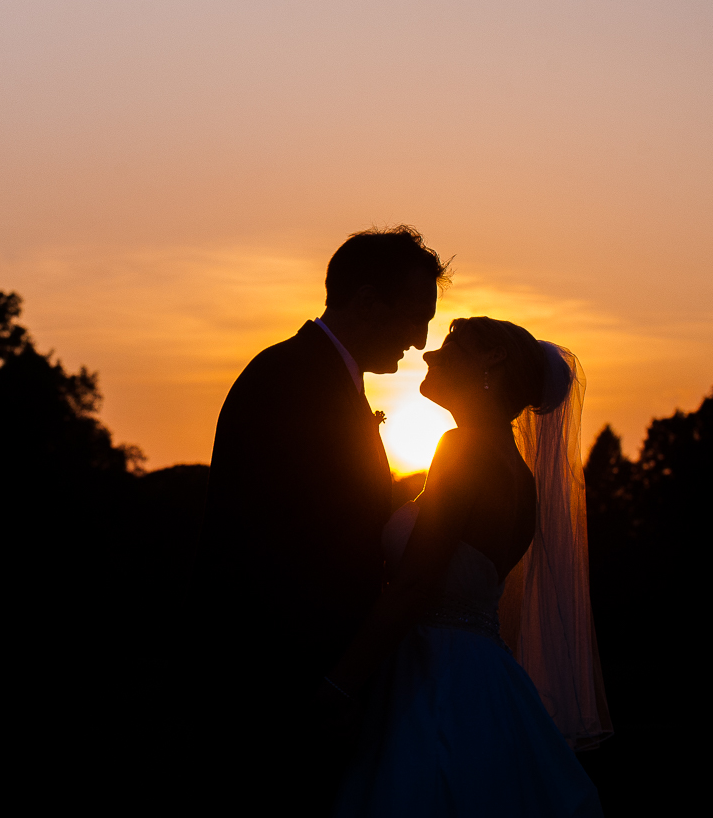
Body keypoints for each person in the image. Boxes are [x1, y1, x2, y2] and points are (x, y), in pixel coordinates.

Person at [200, 226, 448, 815]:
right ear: (366, 302)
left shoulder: (320, 378)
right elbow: (283, 551)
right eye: (416, 317)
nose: (421, 340)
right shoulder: (292, 382)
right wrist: (332, 685)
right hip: (277, 687)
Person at [325, 317, 610, 817]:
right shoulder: (517, 475)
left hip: (432, 676)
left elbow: (415, 583)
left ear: (493, 360)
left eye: (452, 343)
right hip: (484, 676)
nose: (431, 355)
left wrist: (340, 684)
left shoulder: (465, 449)